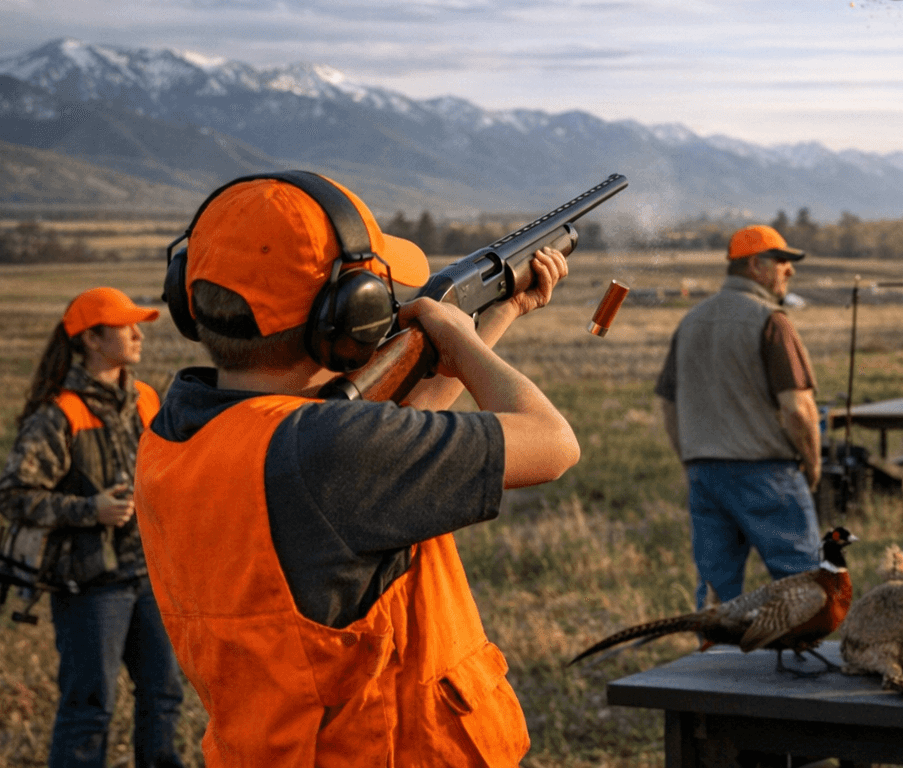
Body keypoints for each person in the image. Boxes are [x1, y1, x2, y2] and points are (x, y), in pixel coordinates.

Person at [133, 172, 578, 767]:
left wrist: (497, 315)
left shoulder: (179, 432)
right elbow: (553, 444)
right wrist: (459, 340)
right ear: (352, 315)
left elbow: (402, 437)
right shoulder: (323, 450)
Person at [0, 287, 184, 768]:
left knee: (164, 698)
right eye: (125, 326)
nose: (139, 334)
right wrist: (88, 510)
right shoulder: (59, 413)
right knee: (89, 710)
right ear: (92, 339)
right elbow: (11, 495)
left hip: (150, 578)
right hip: (90, 586)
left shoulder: (145, 398)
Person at [654, 224, 823, 605]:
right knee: (804, 587)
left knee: (716, 595)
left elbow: (668, 405)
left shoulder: (690, 321)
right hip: (766, 472)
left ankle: (714, 660)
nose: (790, 271)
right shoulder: (771, 320)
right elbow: (798, 409)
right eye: (782, 262)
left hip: (704, 473)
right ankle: (802, 663)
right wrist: (812, 464)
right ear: (756, 266)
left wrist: (691, 458)